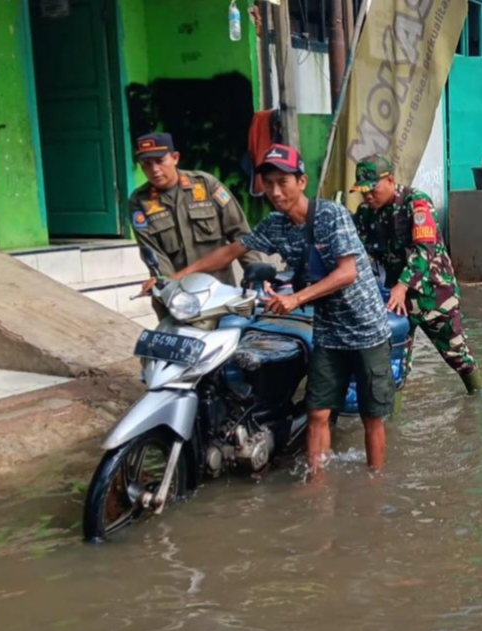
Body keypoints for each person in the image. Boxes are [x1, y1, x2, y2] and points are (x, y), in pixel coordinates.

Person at [165, 144, 394, 476]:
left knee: (370, 416)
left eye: (282, 182)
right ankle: (318, 488)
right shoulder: (275, 225)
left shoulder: (332, 215)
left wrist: (295, 299)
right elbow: (231, 251)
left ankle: (376, 484)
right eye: (268, 183)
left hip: (366, 329)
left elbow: (347, 272)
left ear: (301, 182)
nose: (274, 191)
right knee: (318, 413)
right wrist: (177, 278)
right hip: (328, 331)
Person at [351, 154, 482, 394]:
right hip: (397, 303)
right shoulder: (365, 213)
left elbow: (425, 249)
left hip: (434, 295)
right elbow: (356, 254)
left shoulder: (416, 202)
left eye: (373, 189)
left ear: (390, 180)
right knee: (394, 366)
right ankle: (391, 420)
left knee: (458, 356)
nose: (368, 196)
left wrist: (402, 286)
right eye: (363, 191)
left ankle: (478, 400)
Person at [129, 133, 268, 297]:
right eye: (146, 164)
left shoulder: (206, 185)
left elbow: (241, 234)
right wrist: (168, 286)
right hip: (176, 298)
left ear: (175, 158)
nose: (154, 170)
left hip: (219, 292)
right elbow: (153, 253)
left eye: (160, 161)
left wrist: (257, 274)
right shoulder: (140, 202)